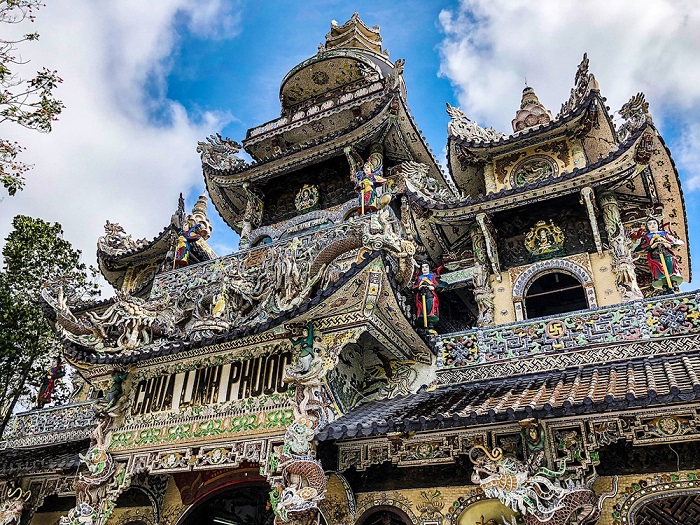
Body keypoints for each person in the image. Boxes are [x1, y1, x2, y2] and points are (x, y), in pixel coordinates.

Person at [635, 217, 684, 292]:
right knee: (658, 269)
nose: (652, 225)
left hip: (667, 253)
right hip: (655, 256)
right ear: (647, 227)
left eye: (654, 223)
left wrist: (669, 245)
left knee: (671, 265)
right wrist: (652, 246)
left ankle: (674, 282)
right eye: (650, 224)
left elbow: (675, 242)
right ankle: (664, 284)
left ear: (658, 224)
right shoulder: (646, 237)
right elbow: (640, 248)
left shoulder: (665, 234)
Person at [413, 263, 443, 333]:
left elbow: (441, 284)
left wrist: (433, 287)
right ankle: (423, 323)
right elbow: (414, 286)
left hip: (430, 294)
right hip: (421, 295)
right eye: (423, 267)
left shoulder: (433, 276)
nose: (424, 268)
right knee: (421, 308)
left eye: (426, 267)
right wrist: (419, 287)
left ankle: (430, 324)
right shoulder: (418, 277)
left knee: (430, 306)